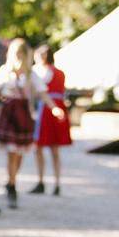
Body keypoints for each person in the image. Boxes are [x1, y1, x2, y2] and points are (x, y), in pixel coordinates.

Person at [0, 38, 65, 208]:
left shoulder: (30, 74)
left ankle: (11, 180)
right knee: (12, 153)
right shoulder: (6, 71)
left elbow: (43, 93)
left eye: (22, 53)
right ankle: (12, 186)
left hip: (23, 115)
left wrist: (54, 108)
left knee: (19, 154)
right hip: (10, 114)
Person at [31, 43, 73, 196]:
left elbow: (37, 93)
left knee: (40, 147)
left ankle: (42, 181)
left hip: (46, 111)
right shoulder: (60, 73)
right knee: (54, 150)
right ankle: (56, 182)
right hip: (57, 108)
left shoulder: (39, 72)